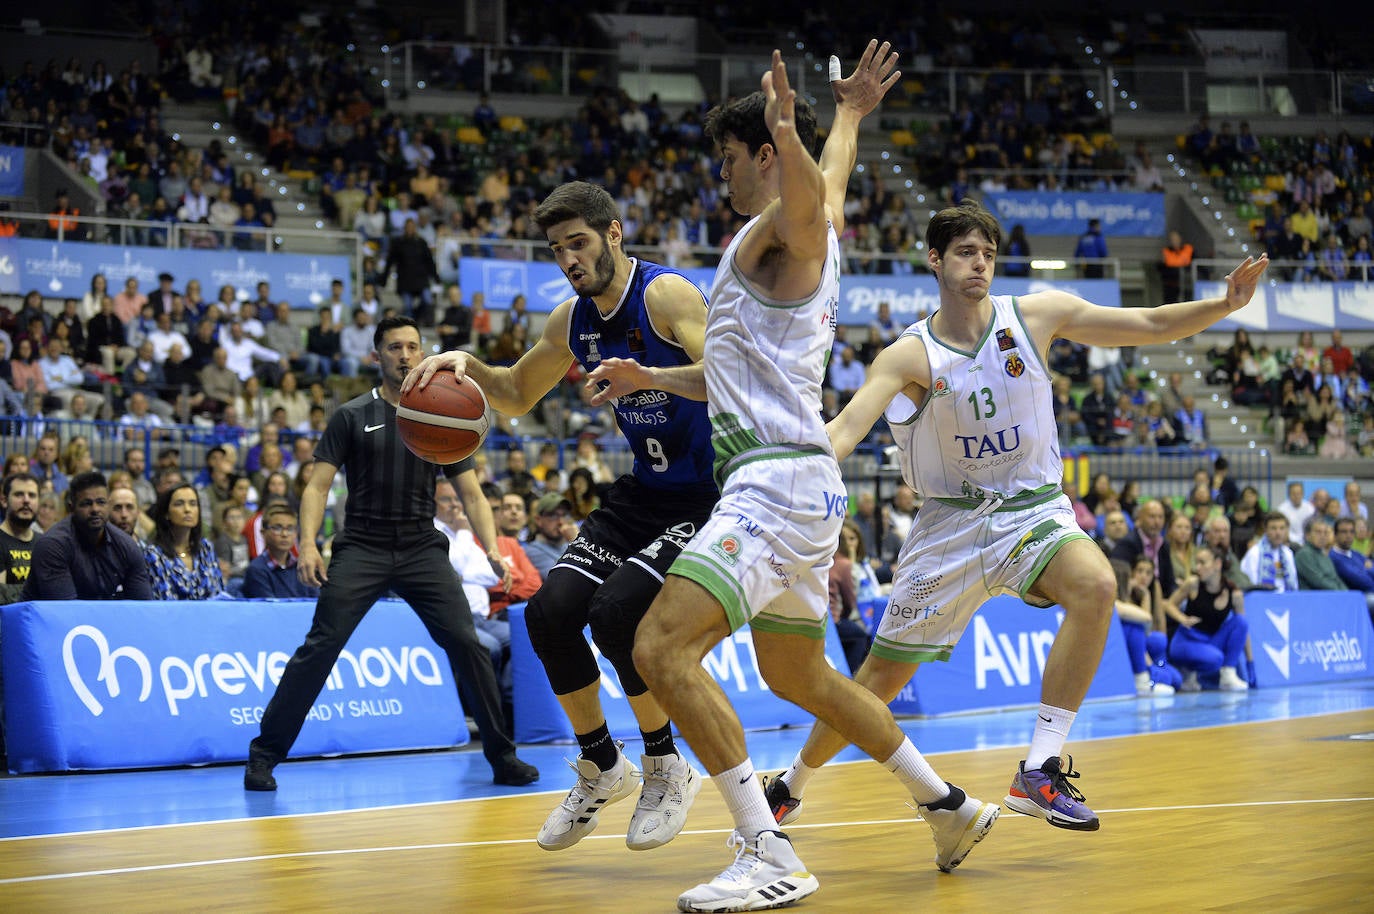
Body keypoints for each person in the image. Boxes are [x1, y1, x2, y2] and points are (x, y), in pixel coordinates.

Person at [600, 45, 1001, 908]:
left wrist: (791, 134)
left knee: (660, 647)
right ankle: (948, 804)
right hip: (801, 482)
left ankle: (766, 849)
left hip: (774, 486)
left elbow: (816, 204)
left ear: (767, 159)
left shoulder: (789, 231)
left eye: (730, 158)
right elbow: (732, 367)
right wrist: (849, 117)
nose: (721, 173)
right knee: (800, 677)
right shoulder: (788, 240)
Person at [764, 196, 1268, 840]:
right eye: (965, 253)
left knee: (1098, 585)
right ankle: (793, 785)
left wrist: (1222, 305)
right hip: (948, 527)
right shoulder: (906, 355)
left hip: (1032, 509)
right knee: (878, 682)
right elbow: (848, 427)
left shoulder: (1034, 315)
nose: (979, 265)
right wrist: (793, 467)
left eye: (987, 254)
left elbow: (1143, 322)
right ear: (934, 261)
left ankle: (1039, 767)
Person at [405, 177, 720, 854]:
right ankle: (604, 765)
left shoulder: (665, 296)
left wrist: (651, 377)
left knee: (617, 614)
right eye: (556, 249)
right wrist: (469, 365)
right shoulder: (570, 320)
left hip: (709, 492)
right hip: (645, 491)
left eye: (578, 242)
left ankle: (666, 764)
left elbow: (730, 380)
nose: (569, 259)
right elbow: (517, 394)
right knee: (547, 615)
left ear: (613, 234)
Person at [244, 316, 537, 792]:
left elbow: (473, 495)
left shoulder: (443, 412)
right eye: (395, 347)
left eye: (413, 346)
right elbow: (317, 487)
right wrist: (312, 544)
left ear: (423, 354)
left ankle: (503, 758)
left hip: (422, 546)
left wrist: (493, 550)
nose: (405, 355)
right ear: (376, 355)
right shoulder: (352, 415)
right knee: (321, 647)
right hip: (362, 546)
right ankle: (263, 756)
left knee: (468, 643)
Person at [22, 470, 154, 600]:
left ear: (108, 505)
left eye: (101, 502)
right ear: (71, 508)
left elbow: (142, 606)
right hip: (44, 619)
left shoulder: (127, 545)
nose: (95, 509)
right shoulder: (52, 545)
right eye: (86, 504)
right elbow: (63, 612)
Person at [1163, 546, 1251, 692]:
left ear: (1217, 564)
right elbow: (1169, 605)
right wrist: (1182, 618)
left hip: (1210, 641)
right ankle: (1189, 672)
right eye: (1196, 563)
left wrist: (1250, 662)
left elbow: (1243, 631)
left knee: (1241, 622)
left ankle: (1228, 675)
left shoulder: (1234, 594)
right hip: (1185, 641)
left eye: (1202, 563)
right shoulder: (1193, 583)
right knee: (1215, 658)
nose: (1198, 568)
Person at [143, 482, 225, 600]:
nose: (187, 510)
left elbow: (219, 594)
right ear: (166, 513)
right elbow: (162, 601)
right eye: (179, 504)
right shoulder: (153, 554)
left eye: (193, 504)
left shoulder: (206, 548)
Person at [241, 502, 318, 599]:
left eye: (290, 528)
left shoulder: (303, 567)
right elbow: (271, 609)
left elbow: (316, 603)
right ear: (263, 533)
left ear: (296, 533)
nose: (285, 534)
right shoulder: (256, 570)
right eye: (277, 528)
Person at [0, 472, 40, 602]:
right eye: (19, 494)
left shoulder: (45, 542)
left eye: (32, 495)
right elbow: (2, 597)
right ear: (4, 500)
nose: (26, 500)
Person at [522, 491, 578, 577]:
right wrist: (576, 543)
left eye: (564, 515)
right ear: (538, 520)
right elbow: (563, 579)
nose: (560, 522)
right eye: (553, 515)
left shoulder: (568, 545)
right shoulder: (532, 551)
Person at [1240, 512, 1298, 592]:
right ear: (1266, 530)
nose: (1278, 533)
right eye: (1273, 528)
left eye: (1282, 528)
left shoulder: (1288, 553)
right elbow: (1252, 585)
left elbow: (1294, 584)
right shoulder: (1255, 553)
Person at [1295, 516, 1348, 591]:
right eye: (1318, 532)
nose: (1323, 536)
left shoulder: (1324, 555)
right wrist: (1340, 592)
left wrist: (1347, 593)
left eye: (1325, 533)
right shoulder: (1304, 554)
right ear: (1307, 535)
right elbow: (1318, 581)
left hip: (1331, 595)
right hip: (1314, 598)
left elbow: (1336, 579)